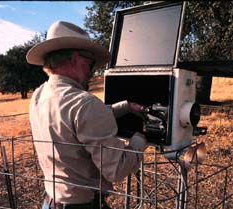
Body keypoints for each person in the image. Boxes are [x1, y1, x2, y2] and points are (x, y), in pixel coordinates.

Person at [26, 21, 147, 209]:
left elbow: (75, 122)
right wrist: (139, 140)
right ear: (75, 58)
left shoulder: (39, 95)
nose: (92, 70)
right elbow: (117, 169)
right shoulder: (84, 103)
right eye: (91, 62)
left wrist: (125, 107)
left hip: (51, 201)